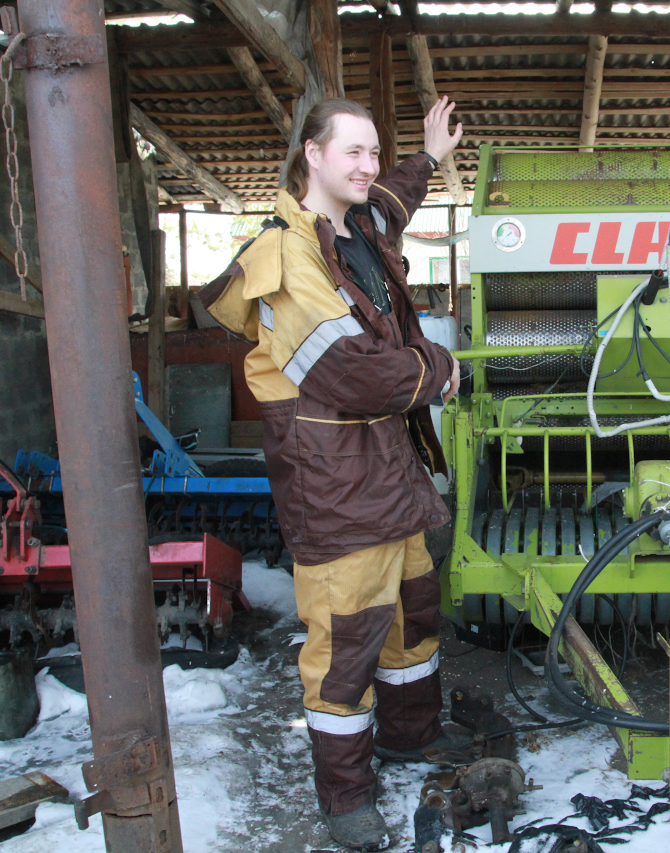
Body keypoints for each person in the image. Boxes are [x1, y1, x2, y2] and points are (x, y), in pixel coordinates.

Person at [197, 96, 465, 851]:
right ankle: (346, 796)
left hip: (391, 475)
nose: (368, 166)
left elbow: (392, 197)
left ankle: (411, 736)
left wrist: (429, 157)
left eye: (374, 151)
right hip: (337, 485)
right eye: (352, 151)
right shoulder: (286, 259)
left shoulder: (361, 226)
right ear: (311, 154)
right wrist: (440, 368)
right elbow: (353, 373)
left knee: (412, 613)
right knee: (347, 642)